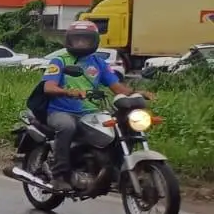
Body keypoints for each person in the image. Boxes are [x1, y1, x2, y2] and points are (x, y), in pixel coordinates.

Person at [40, 20, 148, 191]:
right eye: (77, 40)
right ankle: (59, 175)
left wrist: (137, 92)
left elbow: (117, 87)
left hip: (91, 112)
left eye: (85, 40)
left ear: (94, 41)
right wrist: (68, 92)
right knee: (67, 127)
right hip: (61, 111)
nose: (81, 43)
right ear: (69, 41)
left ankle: (113, 171)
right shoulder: (59, 61)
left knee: (117, 129)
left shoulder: (99, 63)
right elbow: (48, 87)